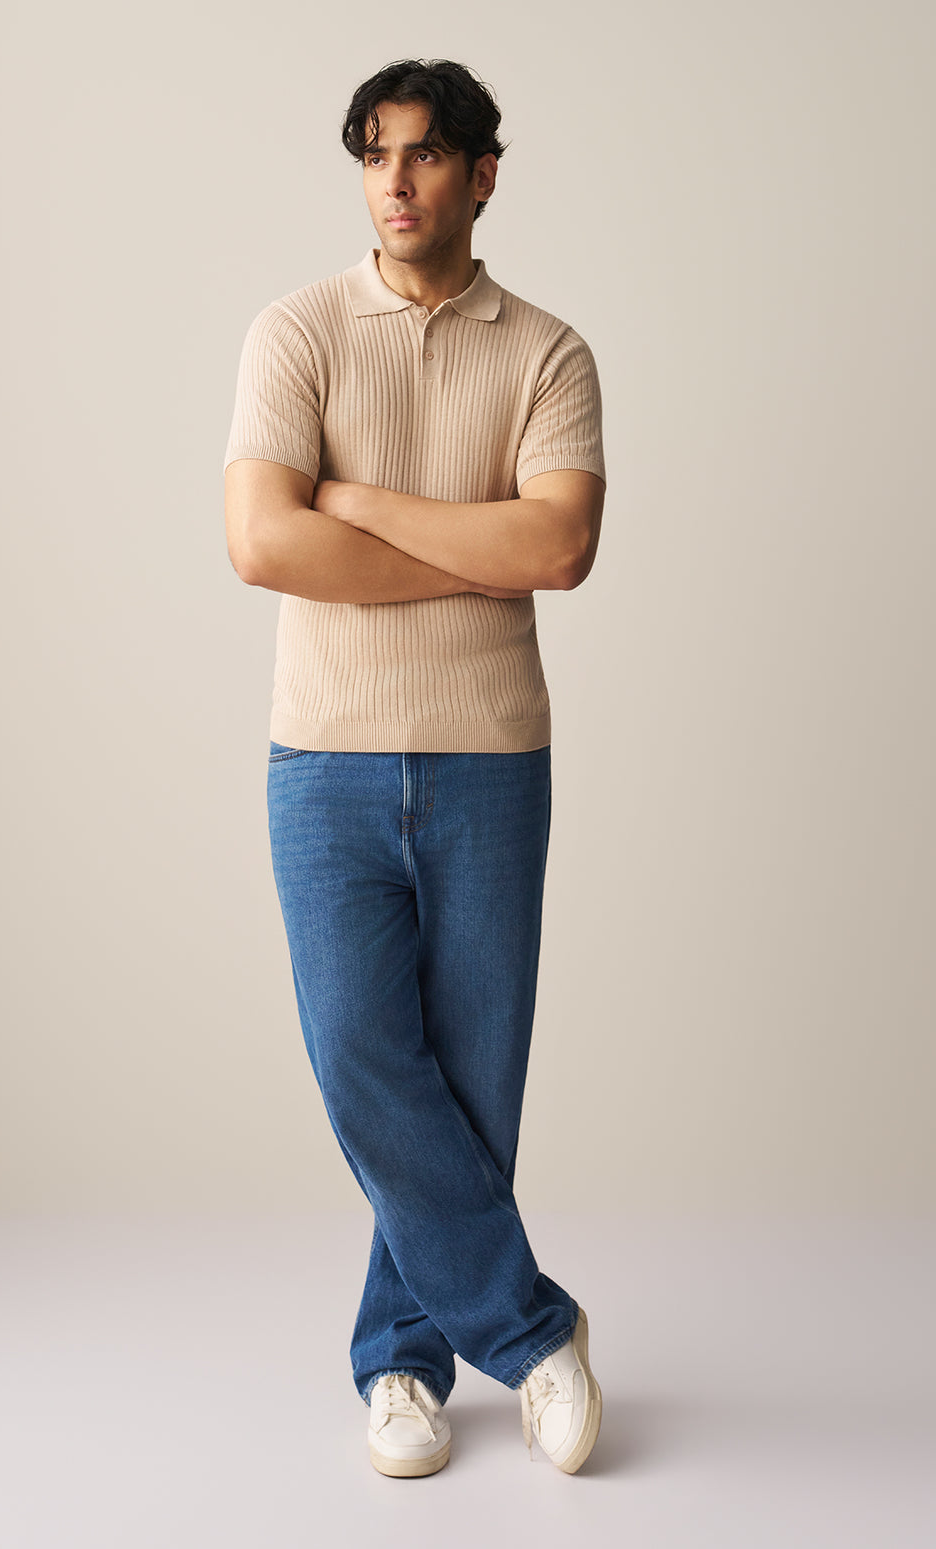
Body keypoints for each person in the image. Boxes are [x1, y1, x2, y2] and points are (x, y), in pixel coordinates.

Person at [222, 57, 606, 1478]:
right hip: (322, 757)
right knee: (361, 1056)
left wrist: (364, 504)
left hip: (493, 755)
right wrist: (471, 543)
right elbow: (262, 542)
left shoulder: (549, 353)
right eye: (375, 153)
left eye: (427, 153)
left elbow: (557, 544)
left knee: (475, 1075)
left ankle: (400, 1361)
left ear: (483, 175)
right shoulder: (297, 333)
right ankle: (534, 1330)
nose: (394, 180)